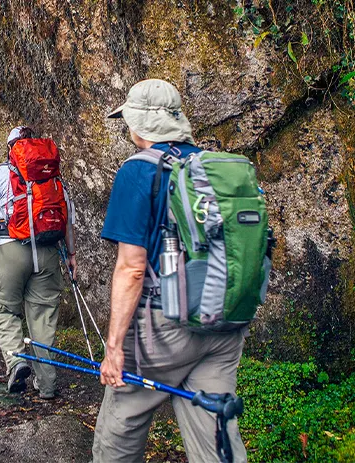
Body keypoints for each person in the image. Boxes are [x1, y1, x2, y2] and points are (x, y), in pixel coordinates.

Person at [92, 79, 248, 462]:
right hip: (225, 322)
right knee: (215, 430)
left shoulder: (139, 171)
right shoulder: (217, 167)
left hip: (164, 329)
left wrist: (113, 348)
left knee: (121, 425)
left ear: (140, 123)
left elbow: (131, 268)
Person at [0, 126, 77, 399]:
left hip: (9, 249)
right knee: (43, 318)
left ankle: (17, 362)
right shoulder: (53, 176)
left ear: (10, 148)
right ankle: (47, 385)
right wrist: (71, 255)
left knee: (4, 311)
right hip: (48, 253)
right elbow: (67, 220)